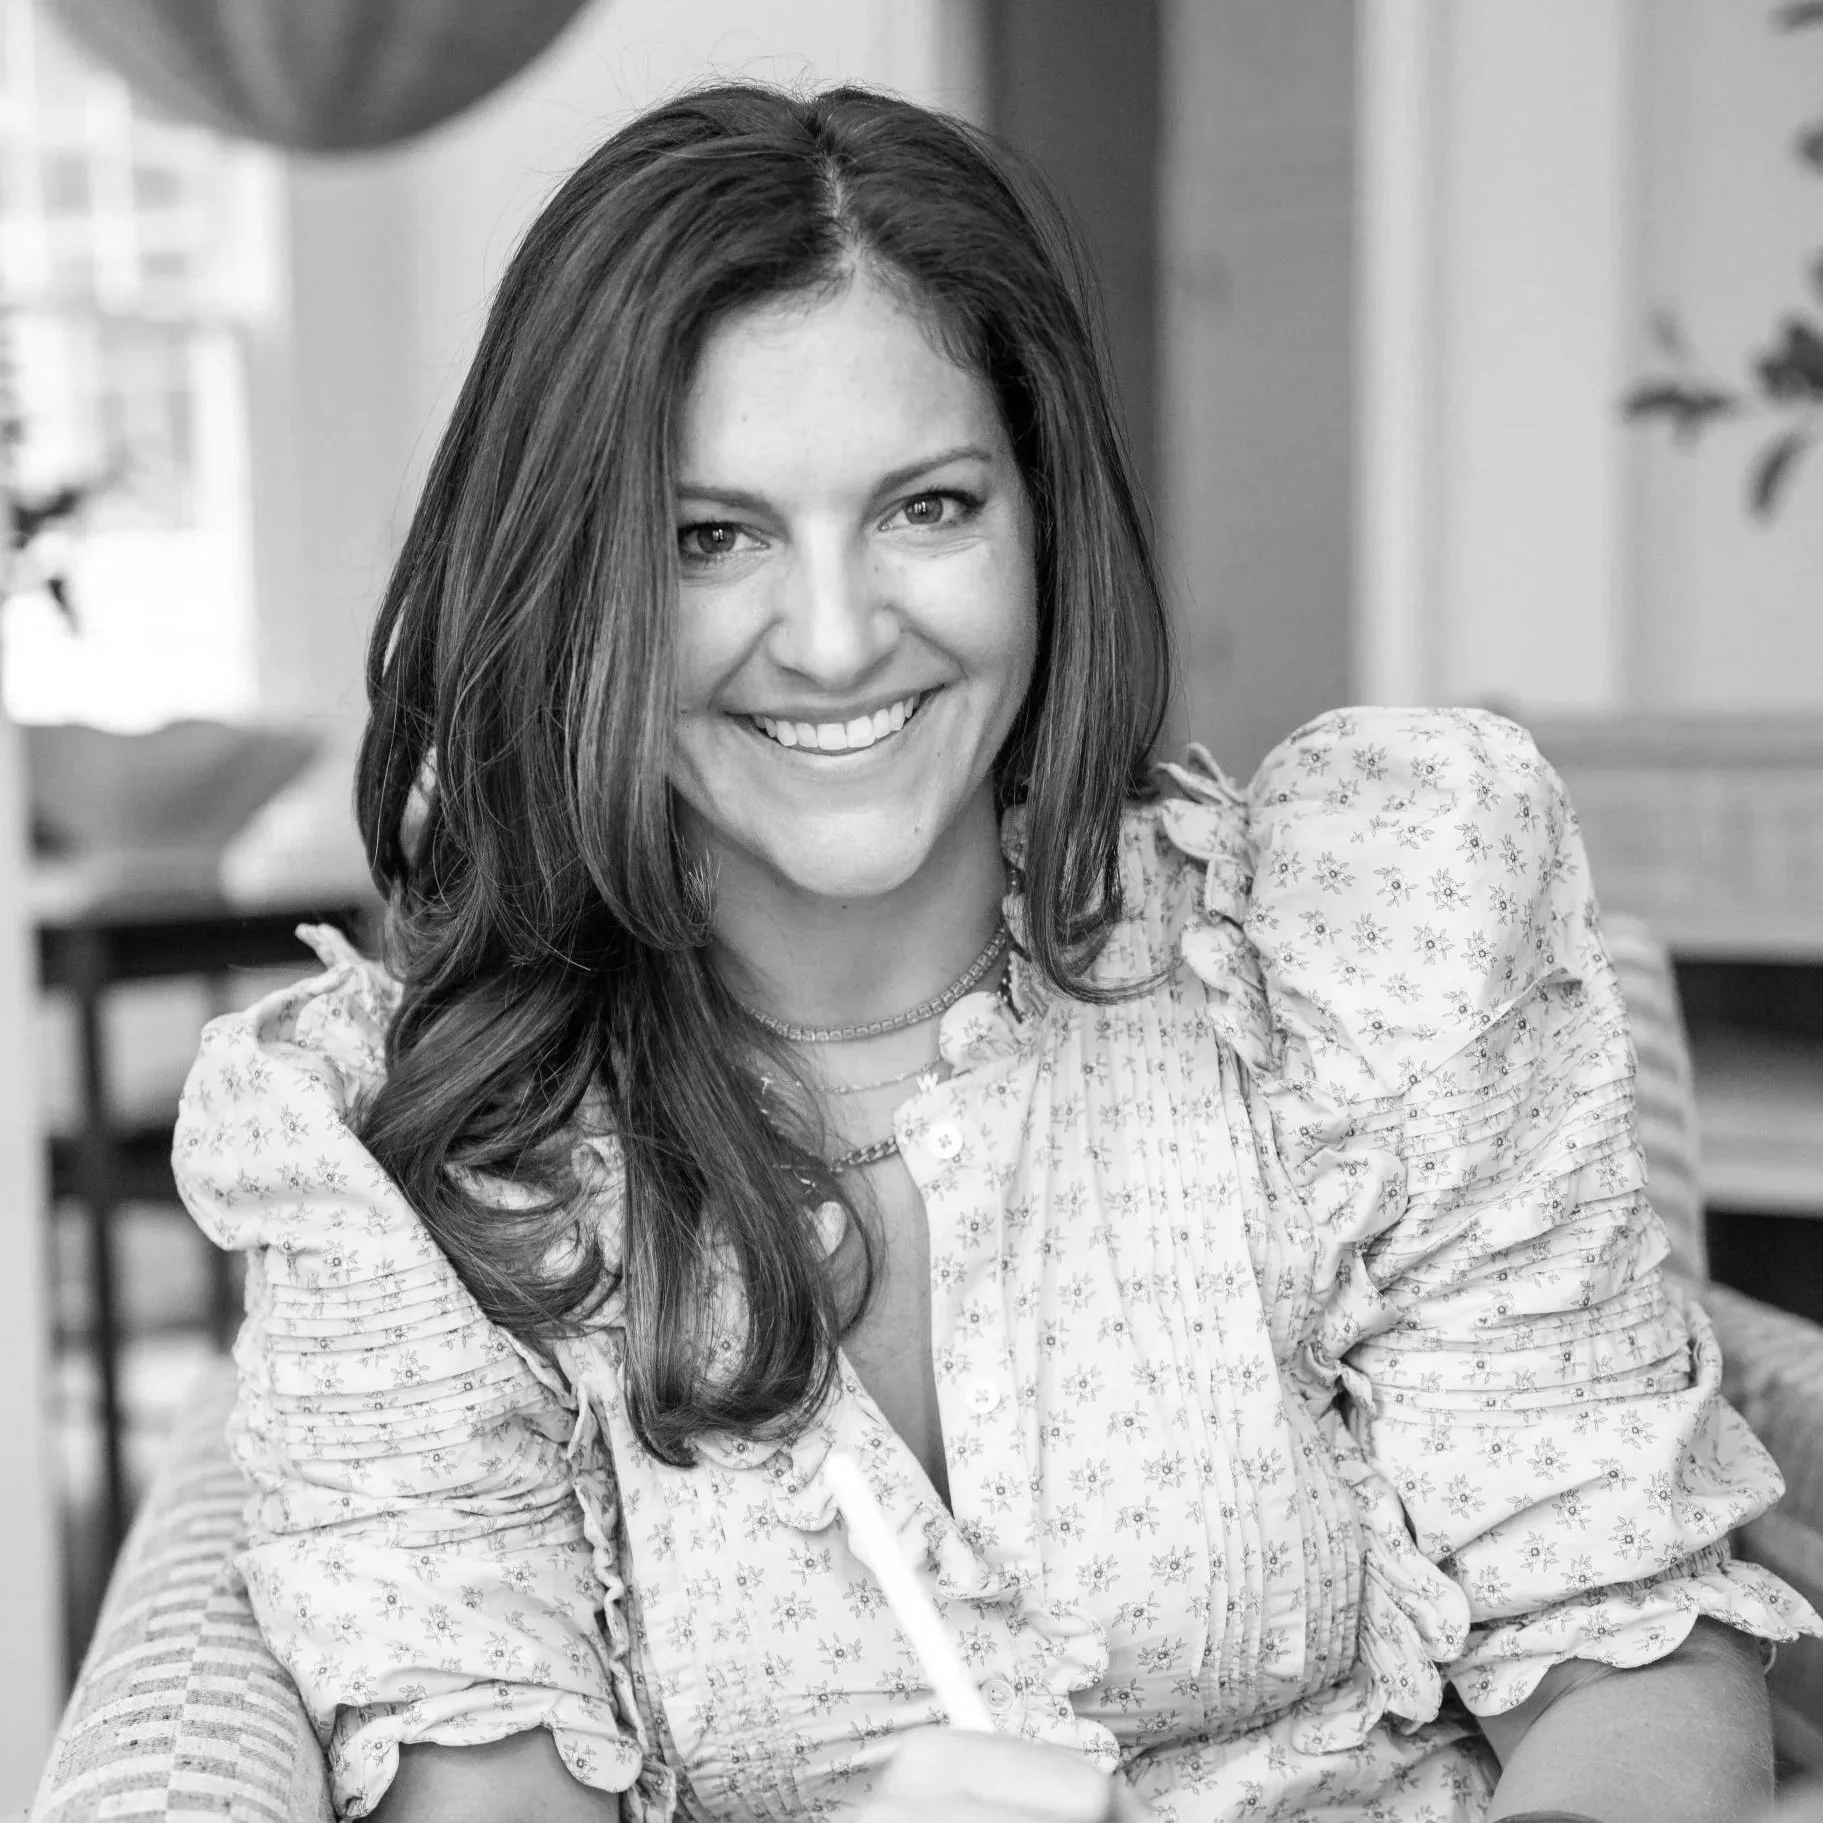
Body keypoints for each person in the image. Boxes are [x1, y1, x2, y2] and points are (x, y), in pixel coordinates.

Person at [173, 83, 1819, 1823]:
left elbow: (1627, 1646)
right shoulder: (418, 1166)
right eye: (708, 537)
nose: (832, 638)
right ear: (575, 579)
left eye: (926, 507)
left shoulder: (1360, 946)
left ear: (1041, 519)